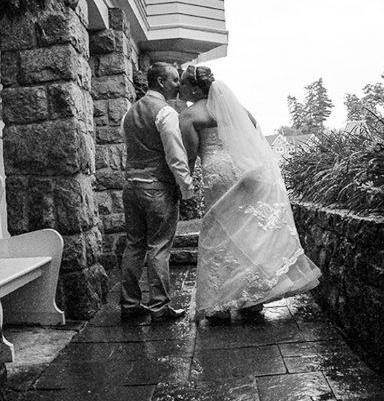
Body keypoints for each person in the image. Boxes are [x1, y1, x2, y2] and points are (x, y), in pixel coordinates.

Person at [179, 65, 320, 321]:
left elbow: (189, 156)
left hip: (217, 173)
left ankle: (220, 301)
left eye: (183, 84)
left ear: (195, 88)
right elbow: (253, 129)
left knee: (218, 230)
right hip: (244, 171)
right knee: (247, 230)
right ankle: (251, 298)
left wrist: (183, 184)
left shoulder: (189, 116)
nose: (180, 87)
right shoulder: (236, 110)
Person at [120, 61, 194, 322]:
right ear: (161, 82)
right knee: (159, 248)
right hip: (157, 189)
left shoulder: (129, 113)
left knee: (134, 245)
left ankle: (129, 305)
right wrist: (186, 188)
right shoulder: (166, 113)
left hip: (131, 188)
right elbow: (176, 156)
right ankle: (159, 307)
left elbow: (129, 147)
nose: (178, 84)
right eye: (175, 79)